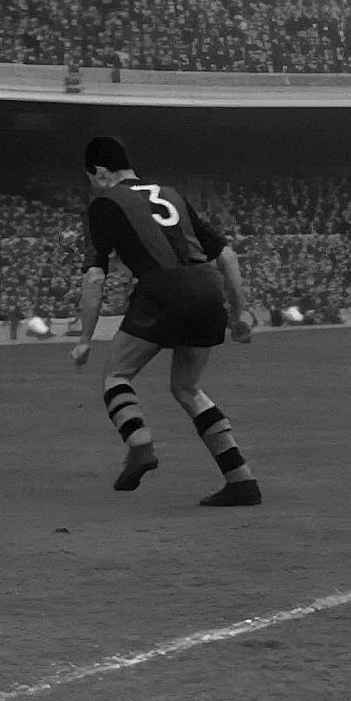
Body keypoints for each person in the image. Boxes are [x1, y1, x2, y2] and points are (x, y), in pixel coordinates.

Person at [68, 136, 261, 507]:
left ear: (101, 172)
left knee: (117, 375)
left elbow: (94, 278)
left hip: (163, 288)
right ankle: (242, 480)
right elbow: (227, 256)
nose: (92, 185)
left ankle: (139, 443)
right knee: (187, 388)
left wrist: (84, 339)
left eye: (90, 178)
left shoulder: (105, 203)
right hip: (207, 288)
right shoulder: (171, 194)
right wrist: (240, 314)